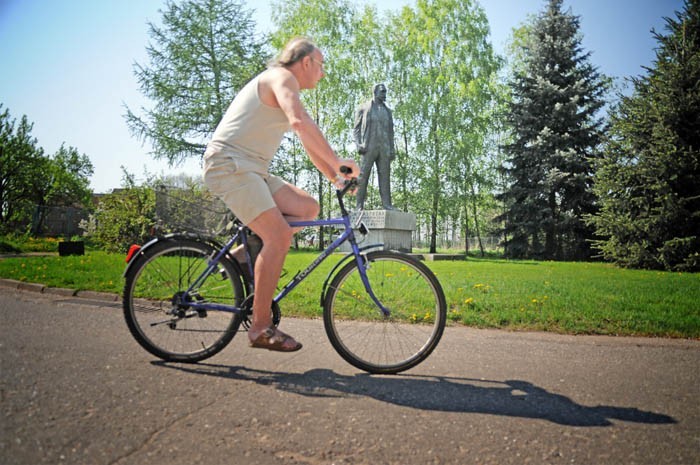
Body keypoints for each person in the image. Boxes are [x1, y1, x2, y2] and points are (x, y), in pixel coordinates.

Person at [203, 37, 359, 352]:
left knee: (308, 207)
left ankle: (243, 255)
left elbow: (306, 138)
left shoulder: (288, 87)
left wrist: (335, 177)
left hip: (251, 169)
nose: (323, 73)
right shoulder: (281, 77)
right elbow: (300, 124)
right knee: (279, 237)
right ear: (306, 62)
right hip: (230, 164)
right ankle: (260, 327)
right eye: (321, 65)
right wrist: (339, 161)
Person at [353, 83, 396, 210]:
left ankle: (387, 204)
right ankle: (359, 205)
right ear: (375, 92)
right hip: (369, 147)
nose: (385, 94)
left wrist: (392, 149)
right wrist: (358, 144)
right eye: (382, 92)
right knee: (363, 176)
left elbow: (390, 132)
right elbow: (356, 129)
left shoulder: (388, 112)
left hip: (384, 148)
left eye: (385, 92)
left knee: (385, 177)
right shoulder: (363, 108)